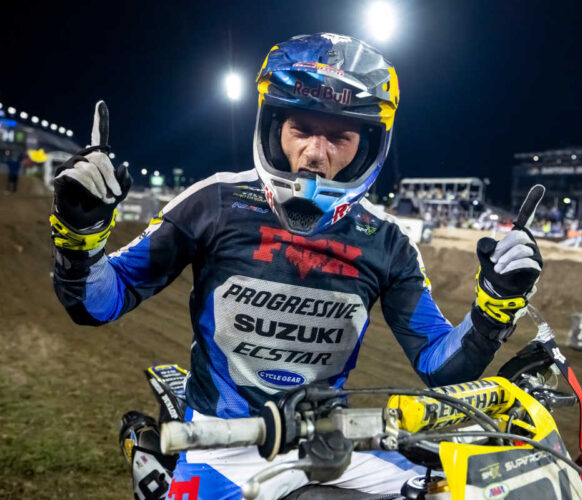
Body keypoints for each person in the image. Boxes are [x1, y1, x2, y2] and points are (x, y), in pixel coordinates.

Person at [49, 33, 543, 500]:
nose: (315, 153)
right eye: (301, 129)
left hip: (330, 442)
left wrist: (494, 310)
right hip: (221, 444)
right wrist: (79, 234)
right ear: (274, 127)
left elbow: (438, 365)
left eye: (340, 137)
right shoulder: (214, 203)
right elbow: (99, 302)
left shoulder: (388, 242)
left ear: (369, 145)